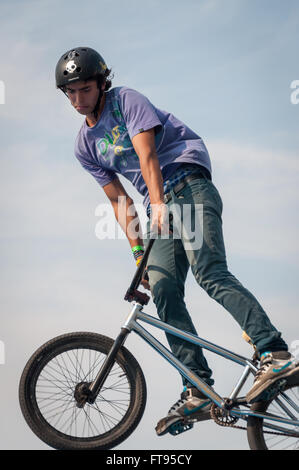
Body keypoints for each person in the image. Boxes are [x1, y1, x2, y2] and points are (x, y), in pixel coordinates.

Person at [55, 47, 299, 436]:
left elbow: (148, 156)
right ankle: (197, 387)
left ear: (102, 83)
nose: (78, 100)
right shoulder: (85, 146)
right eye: (70, 93)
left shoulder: (125, 101)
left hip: (188, 185)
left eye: (84, 90)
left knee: (209, 273)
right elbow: (119, 201)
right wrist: (139, 254)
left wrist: (157, 203)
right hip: (160, 207)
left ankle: (274, 352)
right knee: (164, 288)